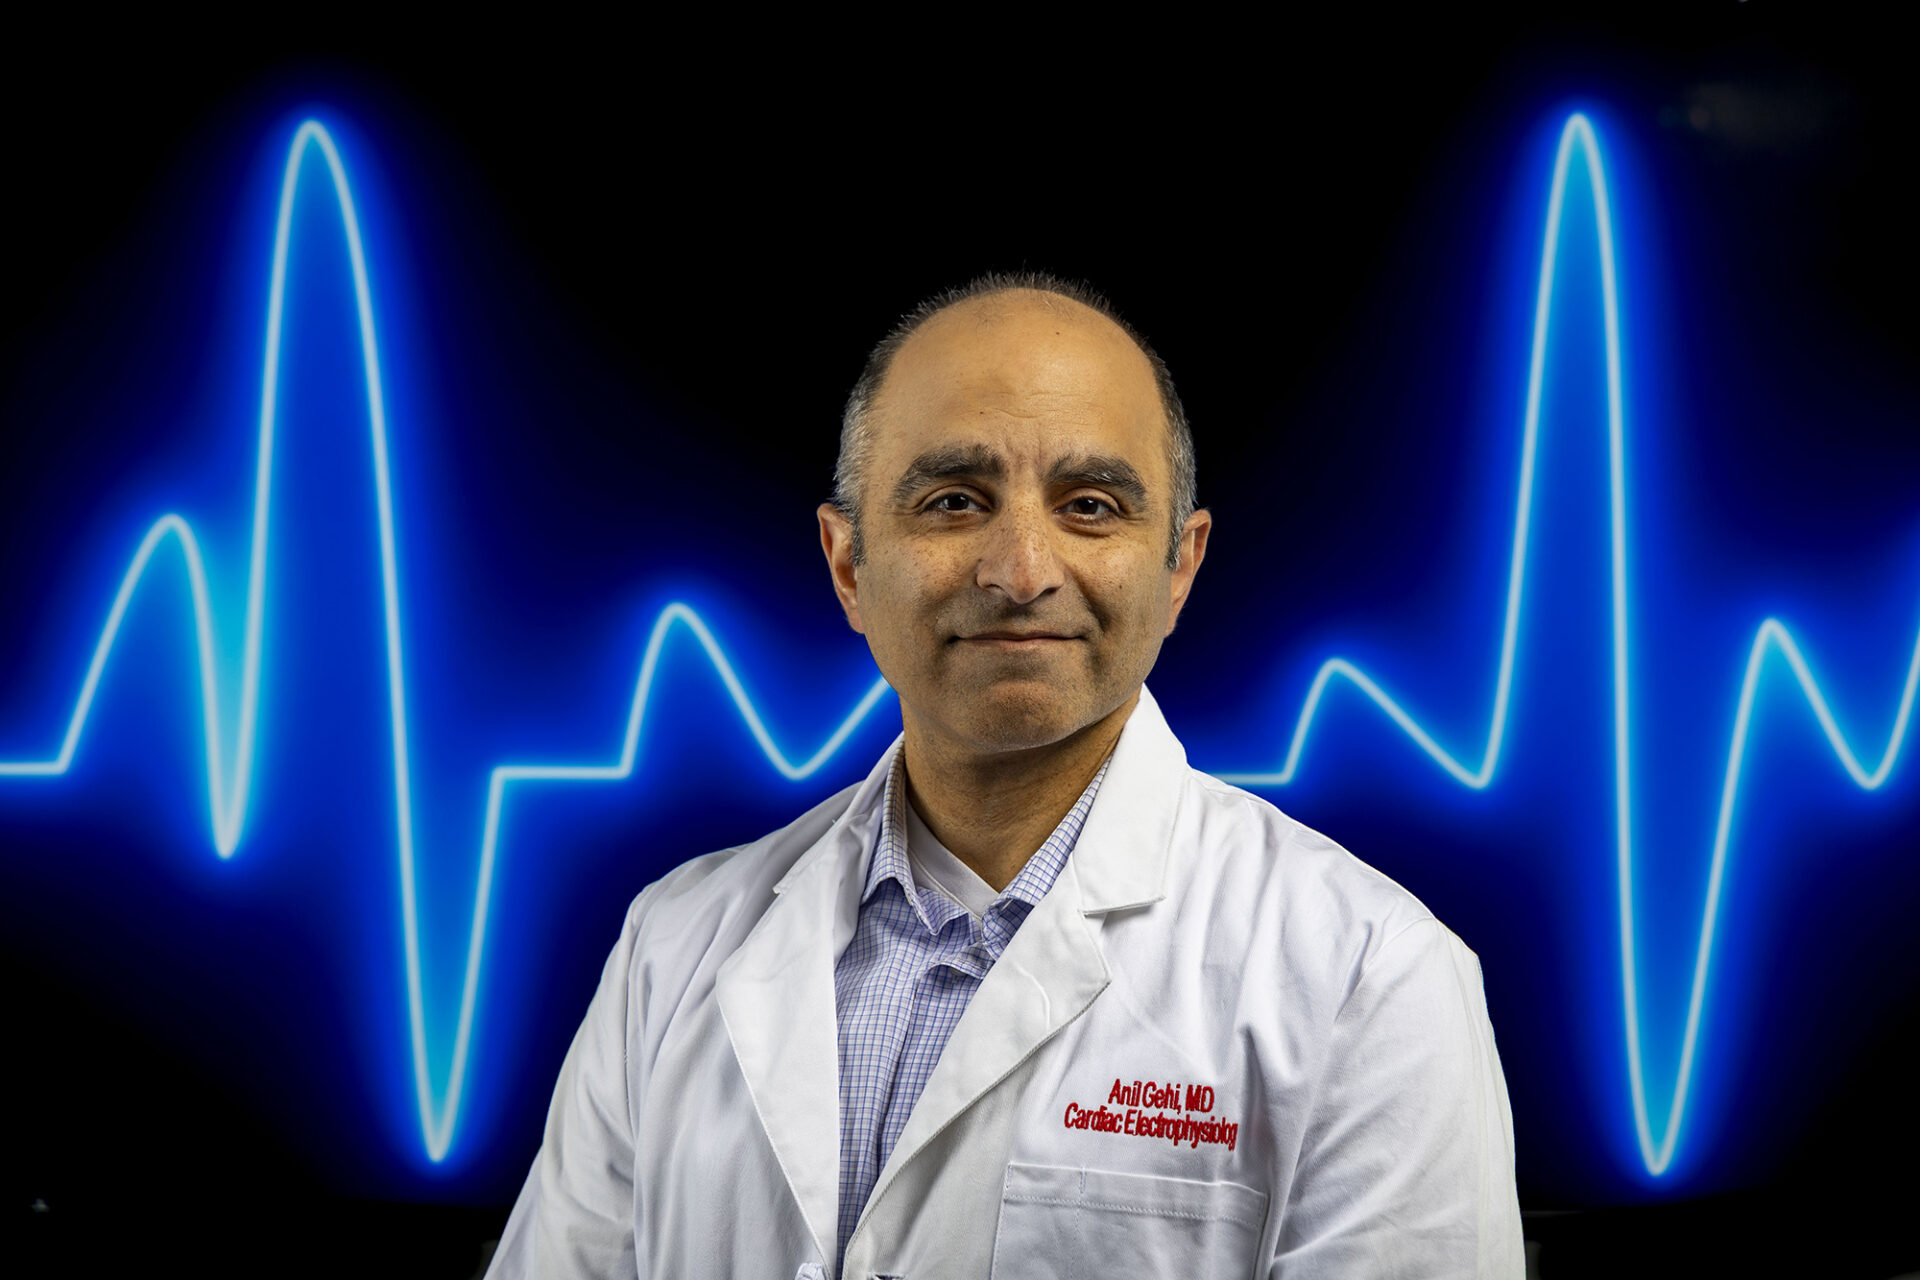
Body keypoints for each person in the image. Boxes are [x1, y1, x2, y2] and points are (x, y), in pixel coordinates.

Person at [488, 272, 1524, 1279]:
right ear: (849, 566)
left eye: (1091, 504)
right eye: (952, 499)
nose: (1021, 569)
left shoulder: (1373, 978)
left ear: (1179, 567)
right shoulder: (671, 947)